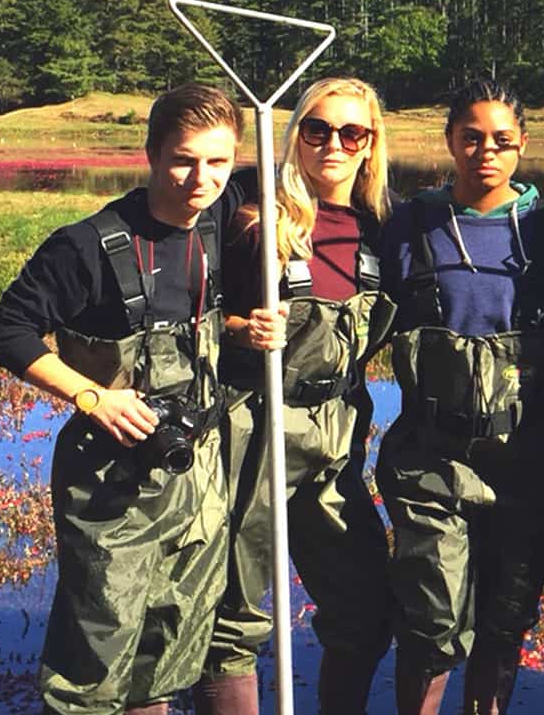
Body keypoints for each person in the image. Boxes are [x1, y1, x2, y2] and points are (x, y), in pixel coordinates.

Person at [0, 84, 246, 715]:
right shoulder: (86, 246)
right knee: (96, 657)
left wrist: (246, 325)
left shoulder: (222, 213)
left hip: (197, 475)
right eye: (183, 159)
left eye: (217, 161)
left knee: (169, 643)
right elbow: (5, 329)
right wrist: (91, 396)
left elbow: (318, 173)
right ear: (151, 153)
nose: (199, 178)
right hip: (109, 486)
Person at [194, 78, 399, 714]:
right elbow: (191, 313)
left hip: (338, 442)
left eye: (351, 132)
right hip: (255, 431)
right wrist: (241, 327)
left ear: (370, 146)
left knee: (365, 610)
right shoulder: (249, 217)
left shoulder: (381, 231)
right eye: (317, 129)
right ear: (295, 136)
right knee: (232, 620)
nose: (333, 144)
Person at [376, 79, 544, 715]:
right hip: (430, 454)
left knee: (505, 618)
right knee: (430, 625)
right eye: (471, 138)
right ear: (450, 142)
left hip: (530, 454)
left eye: (501, 139)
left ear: (522, 145)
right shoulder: (411, 224)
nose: (485, 151)